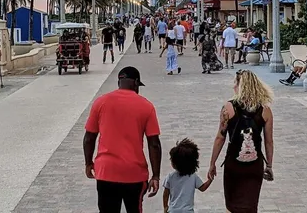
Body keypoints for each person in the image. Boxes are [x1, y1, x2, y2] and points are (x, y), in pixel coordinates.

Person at [84, 67, 162, 213]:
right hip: (134, 174)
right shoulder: (146, 106)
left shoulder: (100, 102)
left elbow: (89, 138)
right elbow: (154, 144)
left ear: (119, 81)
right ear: (136, 83)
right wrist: (156, 175)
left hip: (106, 171)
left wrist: (89, 163)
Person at [208, 70, 274, 213]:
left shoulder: (228, 108)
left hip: (234, 164)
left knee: (232, 206)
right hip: (254, 165)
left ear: (241, 86)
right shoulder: (265, 110)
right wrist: (269, 165)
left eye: (235, 83)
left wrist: (212, 163)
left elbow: (220, 137)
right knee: (250, 206)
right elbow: (269, 141)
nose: (233, 86)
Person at [162, 138, 213, 213]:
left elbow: (165, 194)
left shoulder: (170, 177)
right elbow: (203, 188)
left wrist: (165, 207)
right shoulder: (193, 176)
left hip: (173, 211)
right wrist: (210, 179)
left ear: (175, 164)